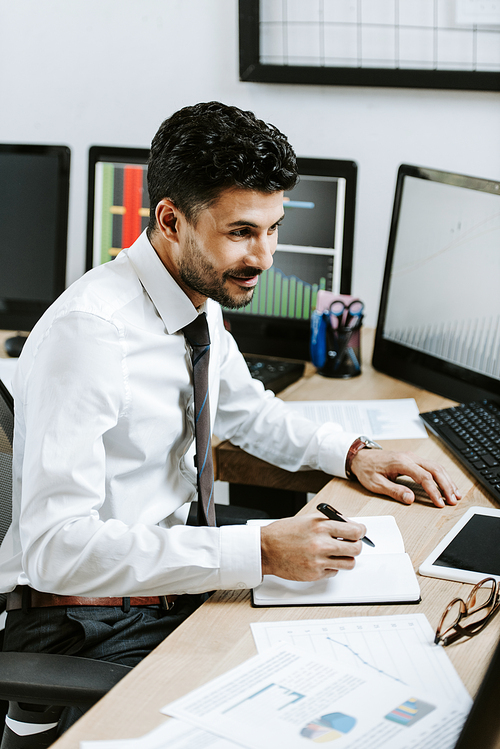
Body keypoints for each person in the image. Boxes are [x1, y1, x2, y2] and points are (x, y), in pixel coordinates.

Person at [0, 101, 460, 733]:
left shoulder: (195, 297)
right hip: (81, 621)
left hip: (159, 586)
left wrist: (353, 453)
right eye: (242, 231)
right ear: (170, 220)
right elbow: (56, 550)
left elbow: (248, 414)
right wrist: (260, 549)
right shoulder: (92, 335)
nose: (265, 256)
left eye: (273, 228)